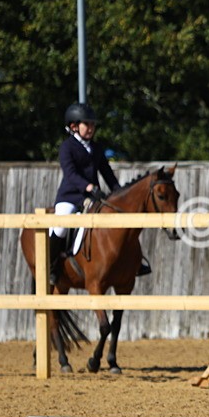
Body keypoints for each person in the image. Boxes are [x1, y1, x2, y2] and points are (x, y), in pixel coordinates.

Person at [51, 102, 150, 286]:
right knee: (60, 226)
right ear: (74, 126)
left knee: (119, 221)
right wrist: (88, 187)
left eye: (93, 125)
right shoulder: (67, 147)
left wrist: (119, 192)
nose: (91, 128)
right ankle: (52, 266)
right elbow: (70, 173)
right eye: (87, 124)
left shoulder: (96, 148)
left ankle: (135, 262)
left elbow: (107, 172)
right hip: (71, 197)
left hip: (93, 197)